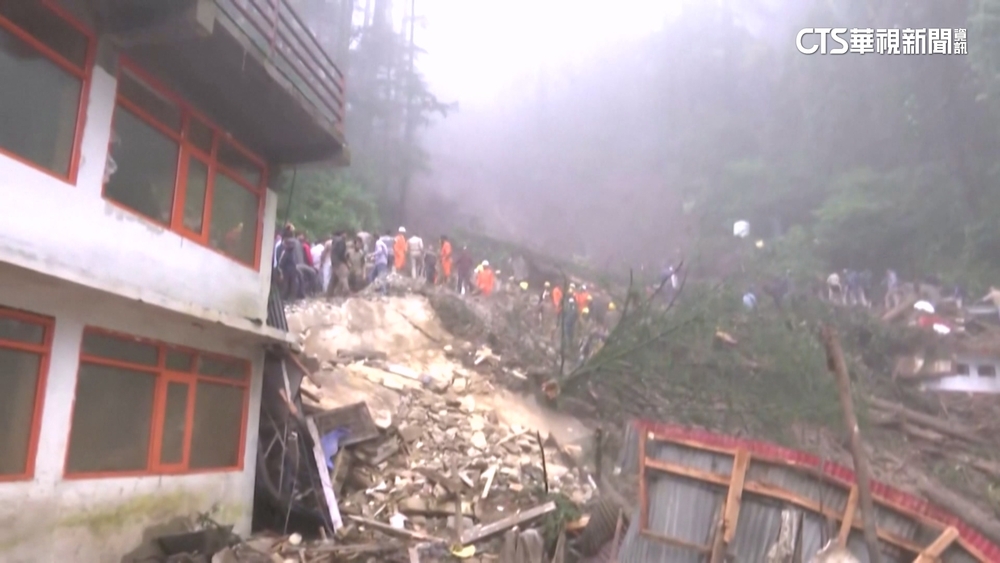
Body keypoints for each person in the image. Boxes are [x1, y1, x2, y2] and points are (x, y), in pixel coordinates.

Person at [328, 230, 350, 296]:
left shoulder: (334, 241)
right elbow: (341, 254)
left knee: (333, 280)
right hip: (339, 263)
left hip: (334, 262)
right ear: (343, 234)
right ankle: (346, 293)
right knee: (344, 278)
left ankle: (329, 295)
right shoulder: (341, 241)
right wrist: (346, 262)